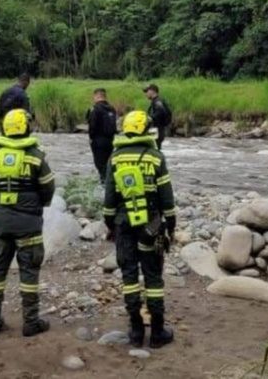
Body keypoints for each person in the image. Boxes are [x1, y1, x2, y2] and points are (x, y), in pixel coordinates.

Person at [104, 110, 176, 348]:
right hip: (151, 224)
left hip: (124, 224)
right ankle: (157, 333)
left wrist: (110, 225)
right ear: (146, 129)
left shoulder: (114, 158)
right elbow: (167, 197)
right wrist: (171, 226)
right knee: (153, 277)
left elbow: (109, 199)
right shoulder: (156, 157)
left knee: (129, 277)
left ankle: (135, 331)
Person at [0, 108, 56, 337]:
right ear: (26, 126)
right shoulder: (35, 155)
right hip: (28, 225)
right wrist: (36, 205)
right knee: (29, 274)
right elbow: (48, 187)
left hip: (1, 223)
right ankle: (30, 322)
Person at [86, 88, 117, 183]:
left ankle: (104, 183)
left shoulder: (95, 109)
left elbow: (92, 126)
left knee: (100, 163)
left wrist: (91, 138)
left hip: (98, 140)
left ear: (96, 96)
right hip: (111, 140)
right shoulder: (112, 109)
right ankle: (110, 181)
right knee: (108, 163)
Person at [144, 84, 173, 150]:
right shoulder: (156, 101)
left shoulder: (157, 101)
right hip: (158, 130)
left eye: (147, 91)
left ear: (152, 91)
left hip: (157, 131)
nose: (146, 94)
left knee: (155, 150)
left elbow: (160, 111)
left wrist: (150, 118)